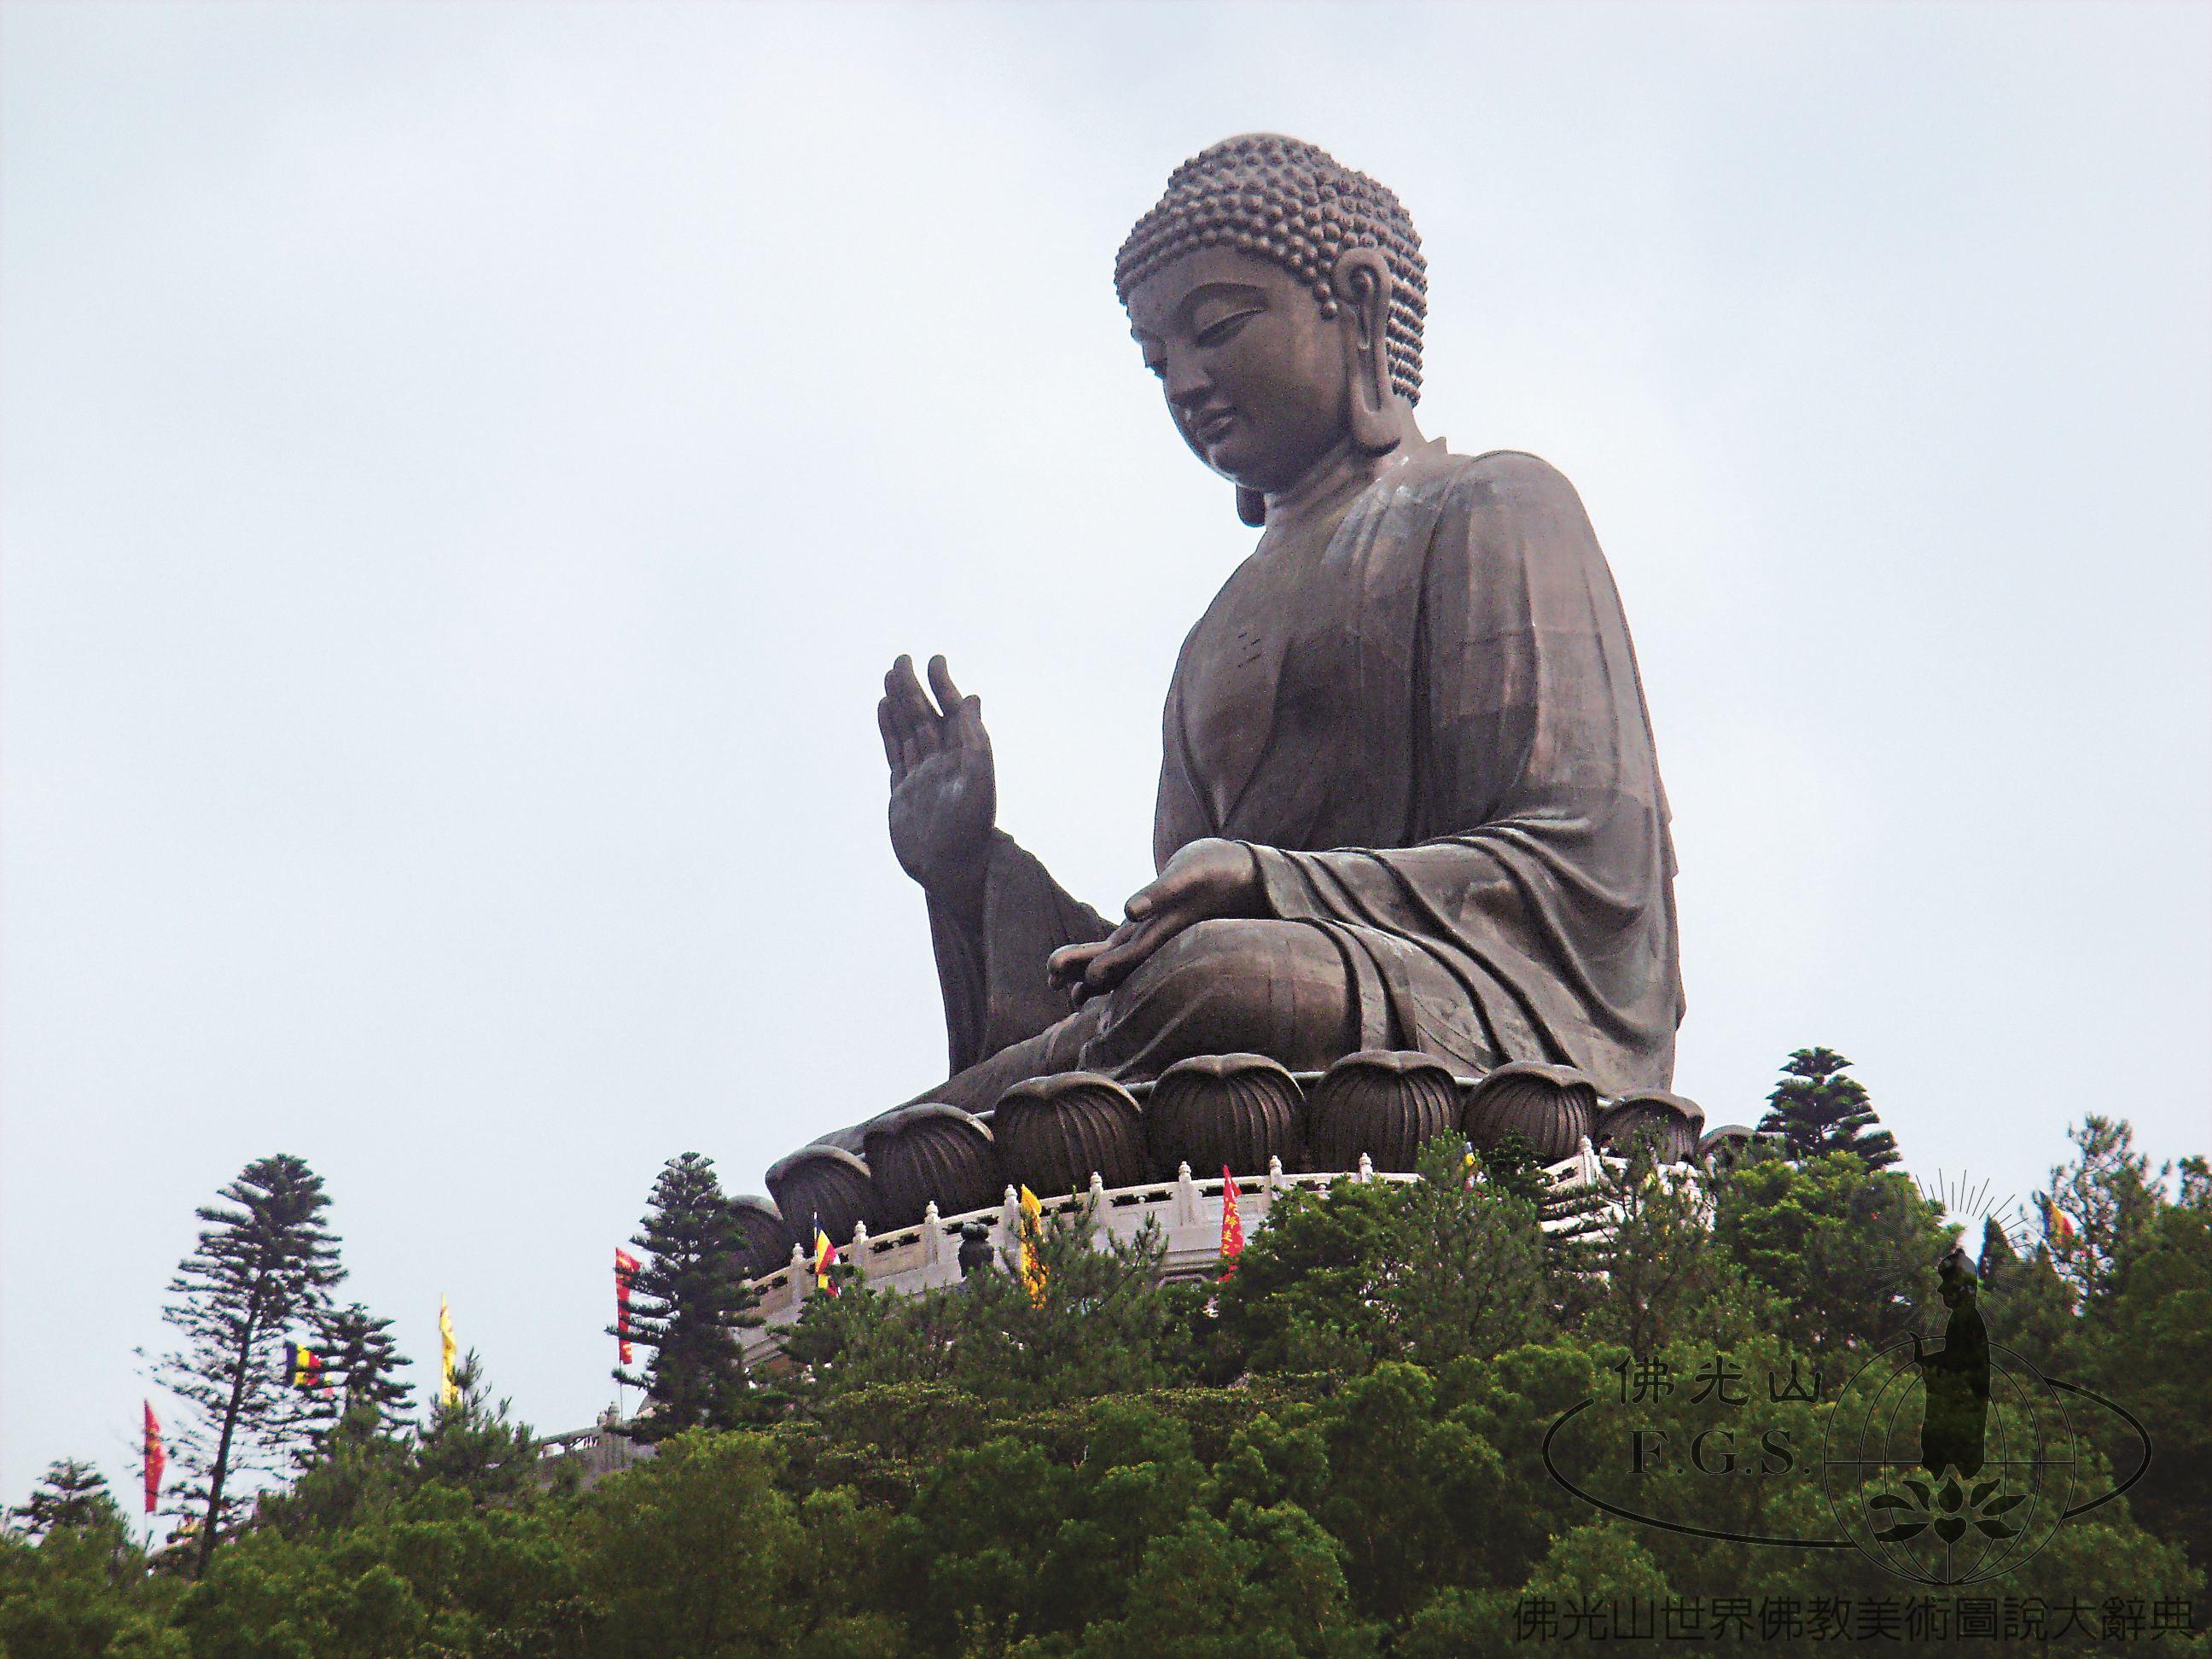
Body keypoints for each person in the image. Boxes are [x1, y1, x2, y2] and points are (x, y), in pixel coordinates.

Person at [812, 134, 1682, 1166]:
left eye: (1217, 329)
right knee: (860, 1150)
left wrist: (1269, 882)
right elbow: (1134, 969)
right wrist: (969, 872)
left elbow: (1584, 870)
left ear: (1358, 301)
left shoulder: (1494, 504)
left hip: (1479, 1015)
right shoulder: (1212, 635)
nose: (1186, 381)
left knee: (1216, 983)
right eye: (1157, 360)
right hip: (1253, 1021)